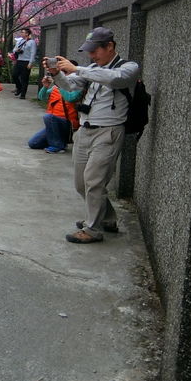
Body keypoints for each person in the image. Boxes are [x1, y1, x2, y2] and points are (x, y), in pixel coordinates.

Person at [44, 26, 140, 244]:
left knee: (94, 181)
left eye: (95, 50)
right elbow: (69, 86)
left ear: (110, 47)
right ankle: (106, 218)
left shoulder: (128, 67)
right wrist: (57, 74)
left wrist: (78, 69)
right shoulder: (92, 69)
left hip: (108, 132)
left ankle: (93, 229)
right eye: (89, 51)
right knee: (81, 183)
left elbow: (116, 80)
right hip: (85, 130)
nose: (91, 55)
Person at [27, 74, 81, 153]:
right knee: (33, 143)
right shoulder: (55, 88)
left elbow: (71, 98)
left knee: (48, 117)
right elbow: (42, 97)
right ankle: (59, 141)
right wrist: (45, 86)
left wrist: (60, 85)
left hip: (68, 124)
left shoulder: (78, 87)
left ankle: (57, 146)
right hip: (53, 124)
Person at [12, 27, 38, 99]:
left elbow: (33, 53)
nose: (21, 33)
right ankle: (19, 87)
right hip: (19, 60)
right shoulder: (19, 41)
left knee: (24, 78)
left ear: (27, 33)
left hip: (26, 61)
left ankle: (23, 94)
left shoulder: (32, 42)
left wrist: (31, 63)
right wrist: (17, 50)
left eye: (23, 32)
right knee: (14, 75)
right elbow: (14, 50)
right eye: (21, 32)